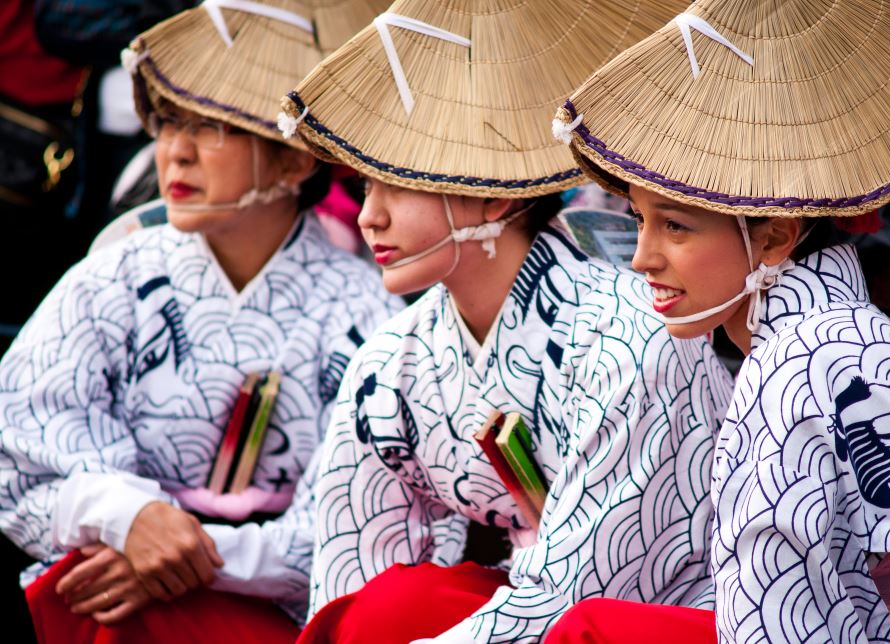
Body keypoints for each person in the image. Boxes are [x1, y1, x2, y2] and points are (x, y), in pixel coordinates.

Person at [279, 0, 735, 642]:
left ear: (492, 194)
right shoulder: (390, 360)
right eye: (364, 186)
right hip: (528, 604)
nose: (367, 217)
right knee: (381, 609)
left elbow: (589, 600)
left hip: (665, 615)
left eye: (396, 185)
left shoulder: (631, 337)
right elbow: (349, 575)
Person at [548, 0, 890, 641]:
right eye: (639, 220)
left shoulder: (789, 370)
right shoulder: (841, 333)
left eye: (675, 226)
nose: (641, 258)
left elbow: (778, 623)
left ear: (773, 236)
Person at [0, 1, 398, 642]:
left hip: (268, 608)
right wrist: (125, 516)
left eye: (211, 128)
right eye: (166, 123)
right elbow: (19, 448)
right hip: (110, 581)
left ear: (296, 161)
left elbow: (364, 524)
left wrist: (189, 558)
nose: (176, 153)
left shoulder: (364, 311)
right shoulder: (112, 275)